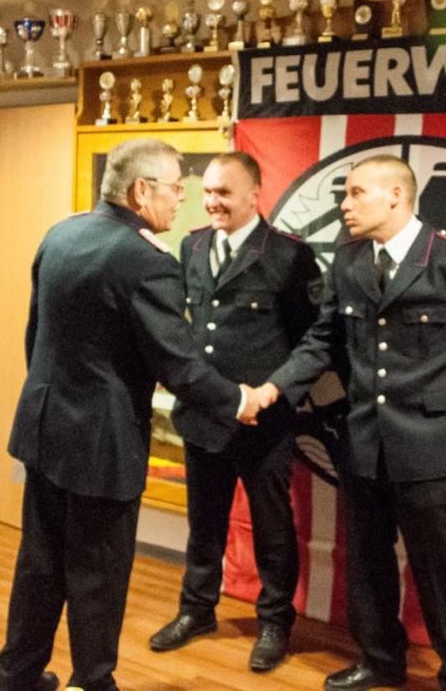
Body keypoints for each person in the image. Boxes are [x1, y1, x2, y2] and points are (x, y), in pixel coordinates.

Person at [0, 139, 266, 691]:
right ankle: (93, 683)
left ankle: (15, 679)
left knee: (39, 565)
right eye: (176, 188)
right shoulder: (146, 261)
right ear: (142, 191)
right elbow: (179, 365)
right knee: (97, 576)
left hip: (45, 431)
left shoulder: (62, 233)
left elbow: (35, 336)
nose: (181, 199)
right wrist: (239, 400)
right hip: (101, 446)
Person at [258, 155, 446, 691]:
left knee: (442, 569)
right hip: (363, 439)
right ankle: (380, 660)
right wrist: (274, 387)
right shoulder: (350, 259)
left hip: (431, 444)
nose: (344, 205)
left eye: (356, 193)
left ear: (396, 196)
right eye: (345, 194)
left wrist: (442, 395)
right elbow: (323, 341)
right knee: (368, 561)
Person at [148, 152, 321, 672]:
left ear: (254, 194)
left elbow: (312, 339)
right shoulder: (194, 245)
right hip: (205, 415)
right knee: (204, 524)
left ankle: (275, 622)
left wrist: (273, 391)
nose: (212, 202)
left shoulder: (289, 255)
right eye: (207, 192)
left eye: (224, 192)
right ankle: (196, 610)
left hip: (264, 422)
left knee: (272, 528)